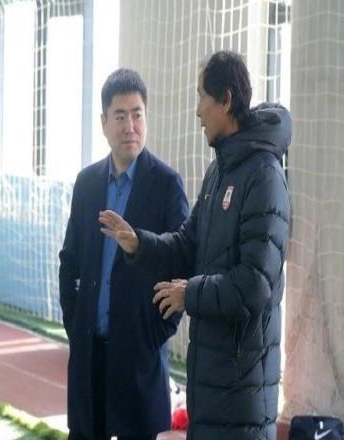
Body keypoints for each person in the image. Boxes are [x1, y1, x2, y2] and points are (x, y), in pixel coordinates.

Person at [99, 51, 291, 440]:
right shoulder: (219, 171)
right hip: (210, 389)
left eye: (203, 96)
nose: (198, 110)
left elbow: (255, 283)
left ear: (226, 101)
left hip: (243, 395)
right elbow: (187, 244)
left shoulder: (265, 177)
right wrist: (139, 244)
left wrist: (191, 293)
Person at [59, 68, 189, 439]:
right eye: (120, 116)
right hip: (89, 356)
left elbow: (181, 263)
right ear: (104, 122)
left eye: (137, 114)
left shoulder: (166, 184)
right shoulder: (87, 183)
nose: (130, 126)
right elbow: (69, 261)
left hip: (138, 358)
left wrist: (155, 334)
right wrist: (76, 324)